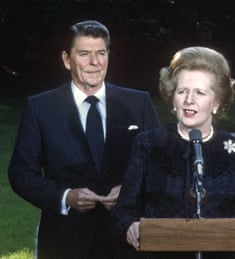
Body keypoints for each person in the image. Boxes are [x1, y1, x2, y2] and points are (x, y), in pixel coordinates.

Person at [8, 20, 160, 259]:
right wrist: (66, 196)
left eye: (101, 53)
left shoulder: (138, 103)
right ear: (67, 60)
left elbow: (159, 166)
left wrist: (130, 191)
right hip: (65, 242)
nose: (94, 62)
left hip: (127, 239)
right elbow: (21, 174)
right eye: (84, 54)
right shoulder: (41, 107)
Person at [113, 46, 235, 259]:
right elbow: (124, 211)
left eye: (200, 92)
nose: (189, 100)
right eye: (182, 91)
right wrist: (130, 226)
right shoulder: (148, 144)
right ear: (173, 98)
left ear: (216, 103)